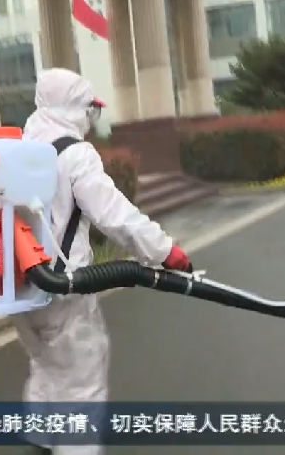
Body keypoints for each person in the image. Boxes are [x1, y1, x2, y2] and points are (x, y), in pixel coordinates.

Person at [12, 68, 192, 455]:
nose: (92, 119)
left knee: (47, 367)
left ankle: (39, 445)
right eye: (90, 109)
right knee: (81, 380)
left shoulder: (21, 148)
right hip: (61, 290)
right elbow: (114, 214)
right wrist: (164, 250)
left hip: (19, 291)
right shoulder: (74, 154)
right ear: (75, 108)